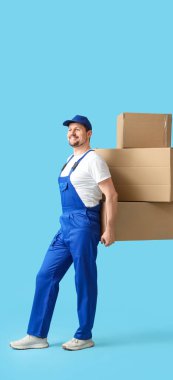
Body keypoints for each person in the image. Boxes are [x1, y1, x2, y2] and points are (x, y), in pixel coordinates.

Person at [10, 115, 118, 350]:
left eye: (77, 130)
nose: (72, 133)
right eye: (70, 130)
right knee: (45, 275)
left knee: (84, 279)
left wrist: (109, 228)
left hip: (84, 224)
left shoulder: (94, 161)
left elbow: (111, 195)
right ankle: (37, 335)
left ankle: (84, 335)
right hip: (66, 225)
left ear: (89, 133)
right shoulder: (69, 160)